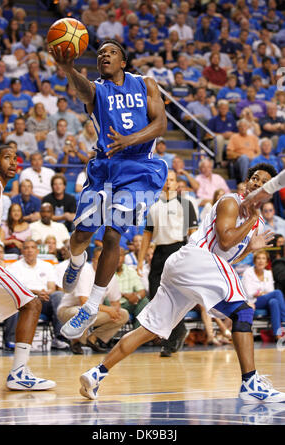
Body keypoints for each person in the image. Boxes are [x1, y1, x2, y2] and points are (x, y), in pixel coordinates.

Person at [79, 163, 285, 404]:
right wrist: (251, 221)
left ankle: (96, 373)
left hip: (189, 269)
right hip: (196, 259)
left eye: (263, 183)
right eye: (255, 179)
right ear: (247, 182)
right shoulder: (232, 202)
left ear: (268, 192)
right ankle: (250, 383)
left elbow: (229, 255)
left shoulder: (256, 222)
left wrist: (250, 247)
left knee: (149, 330)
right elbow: (225, 242)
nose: (258, 184)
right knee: (244, 314)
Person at [49, 39, 168, 340]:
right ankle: (77, 261)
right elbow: (83, 90)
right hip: (105, 168)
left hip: (140, 168)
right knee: (81, 236)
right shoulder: (97, 90)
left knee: (114, 234)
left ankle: (90, 307)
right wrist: (68, 69)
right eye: (100, 53)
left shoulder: (145, 84)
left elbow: (161, 124)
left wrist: (131, 140)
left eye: (111, 52)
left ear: (123, 61)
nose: (104, 56)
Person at [0, 145, 55, 390]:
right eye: (7, 158)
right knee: (32, 305)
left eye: (16, 159)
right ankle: (19, 373)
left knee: (31, 301)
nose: (13, 162)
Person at [137, 169, 198, 357]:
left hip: (178, 249)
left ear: (176, 183)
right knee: (156, 294)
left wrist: (195, 256)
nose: (168, 183)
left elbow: (193, 232)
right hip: (159, 252)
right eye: (166, 180)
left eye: (171, 180)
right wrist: (140, 260)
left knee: (175, 296)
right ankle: (177, 332)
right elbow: (147, 235)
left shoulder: (186, 204)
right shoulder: (153, 205)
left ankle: (171, 339)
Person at [57, 246, 129, 354]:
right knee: (82, 311)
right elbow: (84, 301)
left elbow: (115, 303)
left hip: (94, 311)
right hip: (68, 310)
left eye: (106, 259)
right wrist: (109, 310)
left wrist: (115, 310)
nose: (103, 261)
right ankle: (76, 342)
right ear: (94, 260)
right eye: (100, 258)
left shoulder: (110, 276)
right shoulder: (85, 271)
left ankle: (92, 339)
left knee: (123, 314)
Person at [7, 239, 68, 350]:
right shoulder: (13, 267)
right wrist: (36, 293)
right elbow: (15, 289)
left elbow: (52, 287)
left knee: (58, 295)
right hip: (25, 301)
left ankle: (60, 337)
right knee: (14, 301)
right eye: (26, 248)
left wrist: (45, 293)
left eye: (32, 247)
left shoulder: (47, 266)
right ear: (22, 251)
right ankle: (12, 340)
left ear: (37, 250)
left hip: (44, 300)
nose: (29, 250)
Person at [242, 249, 285, 341]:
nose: (261, 261)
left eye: (263, 259)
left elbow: (270, 290)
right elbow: (249, 293)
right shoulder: (248, 273)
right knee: (277, 293)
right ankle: (284, 321)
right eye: (258, 258)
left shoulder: (268, 273)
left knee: (274, 302)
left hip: (264, 300)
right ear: (254, 261)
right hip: (252, 302)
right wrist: (262, 293)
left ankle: (277, 335)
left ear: (266, 262)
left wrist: (259, 293)